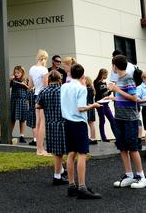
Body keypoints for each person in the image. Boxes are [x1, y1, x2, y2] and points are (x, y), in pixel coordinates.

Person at [60, 63, 102, 199]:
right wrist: (94, 105)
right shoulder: (82, 88)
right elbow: (81, 108)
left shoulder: (64, 86)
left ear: (70, 73)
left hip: (67, 122)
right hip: (78, 123)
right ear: (83, 75)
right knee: (82, 154)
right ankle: (82, 187)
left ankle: (72, 186)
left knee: (71, 153)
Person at [108, 55, 146, 189]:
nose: (111, 67)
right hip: (119, 117)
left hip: (130, 119)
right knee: (122, 148)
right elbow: (123, 96)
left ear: (115, 66)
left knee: (133, 148)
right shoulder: (118, 79)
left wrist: (117, 90)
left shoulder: (128, 78)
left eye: (112, 65)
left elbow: (134, 98)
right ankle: (129, 176)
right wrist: (113, 98)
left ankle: (142, 177)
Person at [35, 70, 68, 186]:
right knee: (59, 152)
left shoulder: (44, 90)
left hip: (49, 123)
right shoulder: (63, 90)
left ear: (49, 80)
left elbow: (37, 105)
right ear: (59, 80)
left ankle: (61, 170)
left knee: (55, 149)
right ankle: (57, 176)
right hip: (61, 122)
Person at [28, 49, 50, 154]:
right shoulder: (44, 70)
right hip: (43, 96)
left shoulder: (32, 68)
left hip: (36, 95)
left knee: (37, 123)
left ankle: (38, 149)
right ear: (44, 59)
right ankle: (41, 149)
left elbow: (30, 86)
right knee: (43, 123)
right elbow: (46, 86)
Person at [93, 69, 115, 142]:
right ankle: (103, 137)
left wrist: (110, 90)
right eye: (106, 74)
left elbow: (106, 94)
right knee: (102, 120)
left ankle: (117, 136)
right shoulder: (96, 82)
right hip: (99, 103)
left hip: (105, 103)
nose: (107, 76)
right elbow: (99, 93)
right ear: (102, 74)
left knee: (112, 119)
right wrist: (107, 88)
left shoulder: (105, 83)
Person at [10, 65, 29, 143]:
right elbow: (7, 86)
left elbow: (30, 89)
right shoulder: (13, 80)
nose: (16, 74)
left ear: (22, 73)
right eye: (15, 73)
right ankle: (9, 135)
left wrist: (25, 85)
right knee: (13, 119)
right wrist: (9, 80)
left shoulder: (25, 80)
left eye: (18, 73)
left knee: (22, 120)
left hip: (23, 101)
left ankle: (22, 136)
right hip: (14, 101)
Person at [84, 76, 98, 145]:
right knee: (91, 123)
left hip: (88, 107)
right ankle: (93, 137)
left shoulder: (87, 89)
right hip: (92, 107)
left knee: (89, 123)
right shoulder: (92, 89)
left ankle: (92, 138)